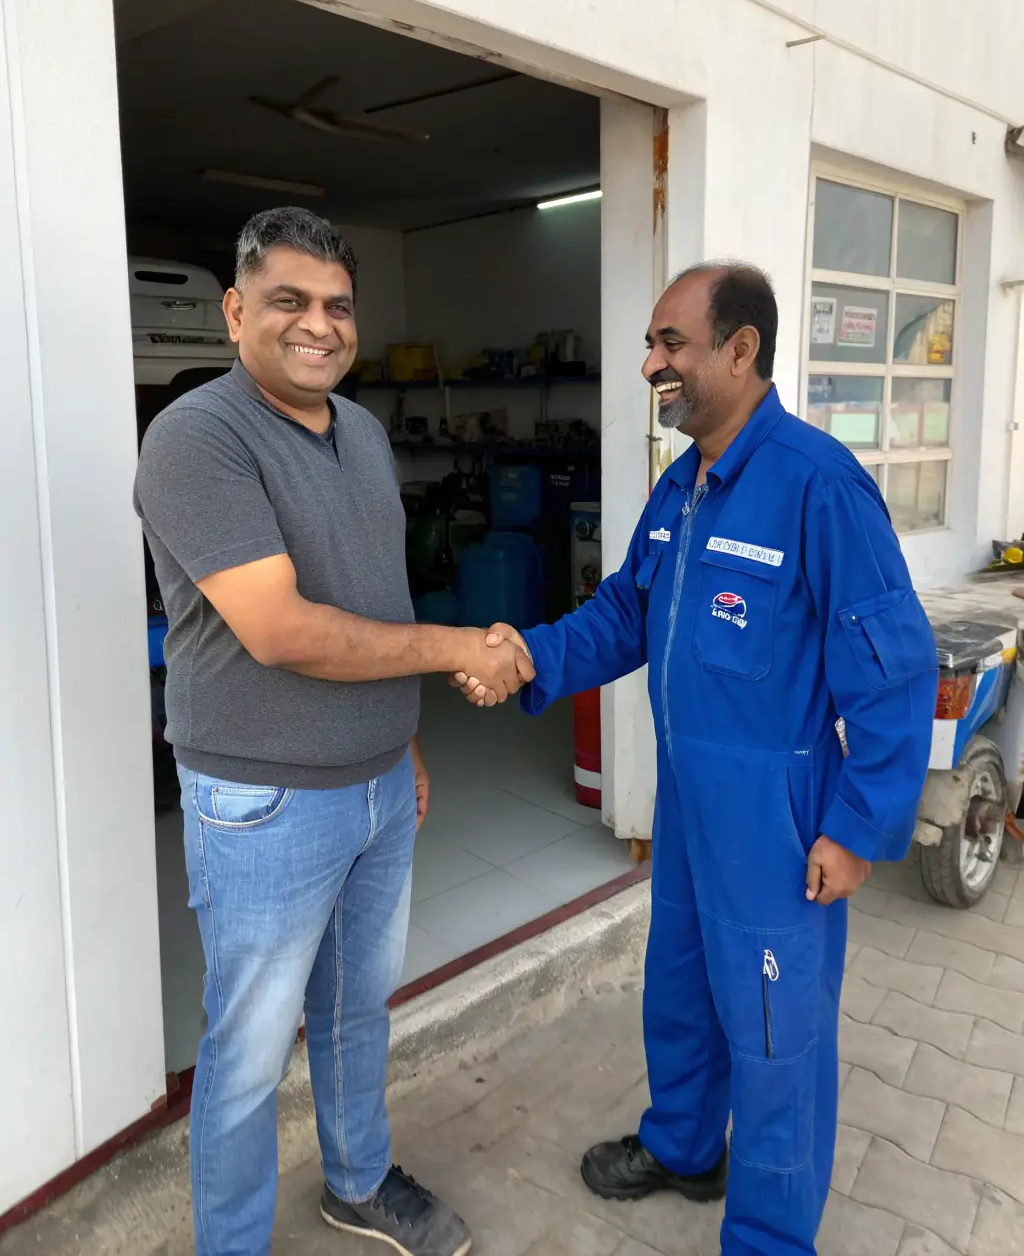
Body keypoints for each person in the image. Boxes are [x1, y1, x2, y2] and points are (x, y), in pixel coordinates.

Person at [455, 262, 937, 1256]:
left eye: (670, 343)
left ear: (740, 350)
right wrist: (529, 656)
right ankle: (683, 1147)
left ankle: (768, 1238)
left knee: (774, 1036)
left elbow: (894, 669)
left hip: (776, 817)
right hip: (688, 805)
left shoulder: (817, 485)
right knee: (679, 990)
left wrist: (855, 828)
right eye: (651, 344)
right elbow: (624, 612)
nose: (650, 363)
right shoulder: (682, 486)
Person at [135, 206, 532, 1256]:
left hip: (378, 784)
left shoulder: (360, 430)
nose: (319, 325)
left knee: (360, 1007)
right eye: (289, 300)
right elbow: (282, 629)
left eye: (338, 306)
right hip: (265, 801)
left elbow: (373, 594)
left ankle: (357, 1181)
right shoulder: (198, 438)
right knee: (249, 1050)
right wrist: (459, 648)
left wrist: (403, 736)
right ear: (235, 312)